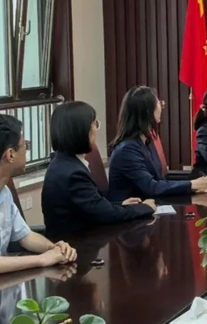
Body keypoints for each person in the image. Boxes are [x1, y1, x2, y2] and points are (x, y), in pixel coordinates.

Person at [0, 114, 77, 278]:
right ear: (10, 154)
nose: (27, 150)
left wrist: (55, 249)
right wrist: (40, 260)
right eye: (25, 145)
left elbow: (25, 236)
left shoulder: (2, 190)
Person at [42, 101, 157, 240]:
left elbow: (92, 206)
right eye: (94, 124)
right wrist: (145, 207)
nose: (96, 130)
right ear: (82, 130)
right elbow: (105, 214)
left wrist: (121, 205)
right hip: (76, 244)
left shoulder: (64, 163)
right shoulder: (73, 174)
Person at [107, 87, 207, 202]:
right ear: (148, 112)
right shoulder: (127, 150)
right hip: (132, 209)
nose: (162, 108)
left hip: (150, 203)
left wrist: (195, 181)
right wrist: (192, 185)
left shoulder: (146, 141)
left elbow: (159, 179)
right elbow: (151, 187)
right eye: (159, 103)